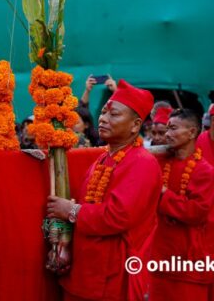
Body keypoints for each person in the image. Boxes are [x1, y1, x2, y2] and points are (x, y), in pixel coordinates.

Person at [46, 79, 162, 301]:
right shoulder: (103, 158)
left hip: (112, 277)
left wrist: (71, 211)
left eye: (114, 114)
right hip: (84, 272)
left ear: (135, 125)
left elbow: (118, 216)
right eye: (104, 112)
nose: (102, 118)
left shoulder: (142, 163)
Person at [149, 108, 214, 301]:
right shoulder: (159, 161)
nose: (167, 134)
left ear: (192, 132)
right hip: (161, 253)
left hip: (189, 259)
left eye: (173, 128)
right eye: (166, 129)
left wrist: (163, 194)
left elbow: (196, 212)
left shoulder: (206, 172)